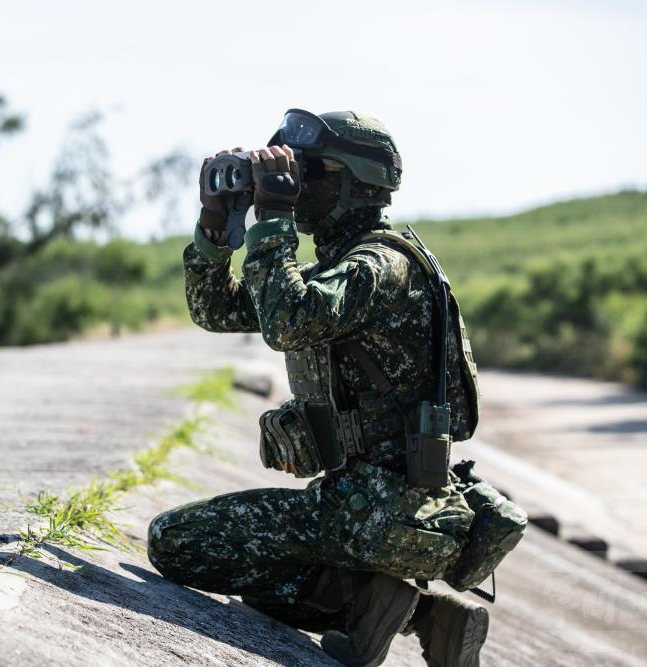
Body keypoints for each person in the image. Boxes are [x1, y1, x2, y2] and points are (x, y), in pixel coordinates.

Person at [147, 109, 491, 666]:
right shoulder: (336, 270)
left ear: (353, 184)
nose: (296, 183)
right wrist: (215, 229)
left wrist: (274, 218)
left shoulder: (380, 267)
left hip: (380, 506)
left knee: (175, 541)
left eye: (309, 172)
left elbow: (286, 321)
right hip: (370, 504)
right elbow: (216, 311)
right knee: (258, 582)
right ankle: (420, 613)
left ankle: (377, 598)